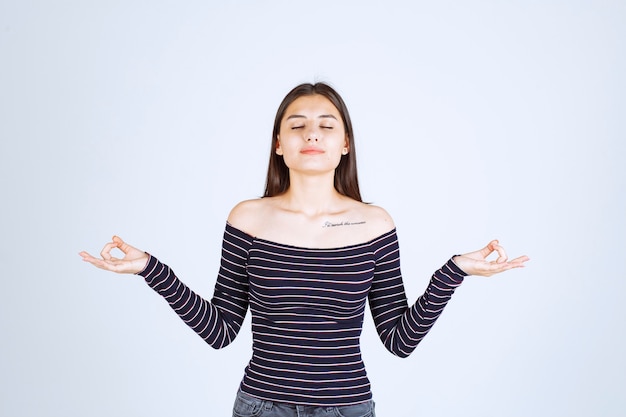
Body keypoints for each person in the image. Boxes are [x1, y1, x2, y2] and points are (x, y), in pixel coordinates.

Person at [79, 82, 529, 417]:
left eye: (326, 126)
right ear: (279, 144)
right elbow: (219, 330)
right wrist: (149, 270)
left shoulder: (375, 224)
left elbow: (399, 340)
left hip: (347, 406)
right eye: (296, 126)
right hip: (261, 406)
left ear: (344, 144)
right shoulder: (248, 218)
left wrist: (453, 272)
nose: (311, 134)